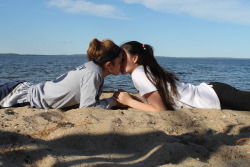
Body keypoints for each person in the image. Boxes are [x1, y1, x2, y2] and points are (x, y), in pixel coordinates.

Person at [113, 41, 250, 112]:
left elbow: (161, 111)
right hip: (213, 92)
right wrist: (134, 99)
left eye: (123, 59)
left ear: (135, 58)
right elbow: (161, 103)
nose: (120, 62)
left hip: (213, 97)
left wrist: (129, 102)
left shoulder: (138, 74)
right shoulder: (146, 71)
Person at [0, 38, 122, 109]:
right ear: (109, 65)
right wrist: (113, 101)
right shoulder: (93, 73)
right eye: (120, 61)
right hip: (21, 96)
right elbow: (88, 107)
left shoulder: (93, 69)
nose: (123, 64)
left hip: (24, 89)